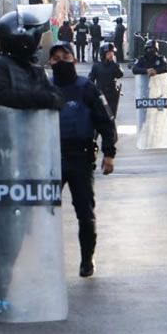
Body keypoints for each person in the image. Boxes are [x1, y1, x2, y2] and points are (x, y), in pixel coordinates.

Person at [0, 10, 64, 324]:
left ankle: (6, 290)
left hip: (28, 159)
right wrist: (38, 98)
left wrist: (39, 97)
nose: (40, 42)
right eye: (36, 36)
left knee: (19, 230)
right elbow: (0, 97)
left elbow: (55, 99)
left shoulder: (35, 70)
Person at [48, 41, 118, 278]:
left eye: (65, 57)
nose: (60, 62)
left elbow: (106, 122)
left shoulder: (87, 88)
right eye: (55, 58)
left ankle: (87, 259)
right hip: (49, 161)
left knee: (85, 214)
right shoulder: (44, 89)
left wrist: (109, 154)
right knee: (43, 212)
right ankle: (46, 260)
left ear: (74, 60)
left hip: (80, 158)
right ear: (49, 62)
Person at [89, 41, 123, 117]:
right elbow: (91, 79)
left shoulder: (115, 65)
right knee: (101, 114)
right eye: (108, 53)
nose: (111, 55)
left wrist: (114, 64)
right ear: (103, 55)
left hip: (112, 93)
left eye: (112, 53)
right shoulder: (96, 66)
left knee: (111, 115)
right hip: (101, 93)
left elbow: (120, 75)